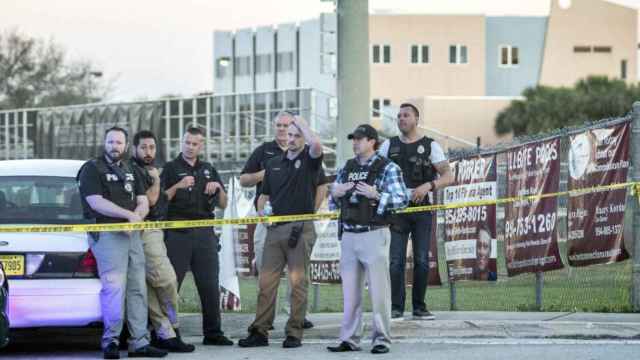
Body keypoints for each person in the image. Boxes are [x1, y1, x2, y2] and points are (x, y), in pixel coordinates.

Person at [77, 126, 167, 359]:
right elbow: (95, 202)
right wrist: (128, 216)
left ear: (126, 146)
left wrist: (137, 216)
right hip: (108, 234)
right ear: (104, 143)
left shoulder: (130, 169)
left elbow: (143, 200)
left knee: (138, 288)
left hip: (133, 235)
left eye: (118, 143)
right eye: (110, 142)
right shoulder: (91, 168)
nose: (114, 146)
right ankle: (111, 341)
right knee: (115, 289)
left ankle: (139, 342)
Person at [238, 116, 323, 349]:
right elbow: (264, 195)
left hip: (300, 229)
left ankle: (294, 332)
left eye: (297, 135)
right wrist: (262, 213)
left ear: (303, 137)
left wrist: (301, 122)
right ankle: (259, 331)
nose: (292, 139)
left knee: (297, 283)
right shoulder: (274, 163)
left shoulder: (310, 160)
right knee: (266, 283)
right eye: (290, 135)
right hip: (274, 230)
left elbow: (317, 146)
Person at [326, 124, 409, 355]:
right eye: (353, 139)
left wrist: (377, 195)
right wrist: (335, 193)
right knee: (350, 293)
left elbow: (402, 199)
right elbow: (333, 203)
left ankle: (381, 338)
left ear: (372, 141)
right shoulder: (347, 167)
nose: (355, 143)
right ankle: (349, 339)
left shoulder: (387, 167)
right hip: (350, 235)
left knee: (379, 292)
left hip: (375, 233)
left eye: (360, 139)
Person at [378, 103, 453, 320]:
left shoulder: (430, 146)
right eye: (399, 116)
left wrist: (428, 185)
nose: (401, 119)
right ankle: (396, 308)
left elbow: (449, 176)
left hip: (421, 211)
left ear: (416, 119)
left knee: (421, 260)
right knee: (395, 261)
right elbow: (376, 173)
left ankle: (419, 307)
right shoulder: (388, 146)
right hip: (397, 212)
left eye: (406, 115)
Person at [161, 127, 233, 346]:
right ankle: (168, 333)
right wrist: (178, 185)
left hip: (204, 233)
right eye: (187, 142)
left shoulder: (208, 169)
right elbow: (160, 199)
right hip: (177, 234)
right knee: (171, 286)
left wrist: (219, 188)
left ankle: (213, 333)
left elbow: (223, 203)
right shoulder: (171, 168)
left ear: (201, 145)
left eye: (195, 143)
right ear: (181, 142)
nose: (190, 147)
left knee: (210, 284)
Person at [130, 130, 195, 352]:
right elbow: (150, 199)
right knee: (166, 280)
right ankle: (173, 329)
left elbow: (163, 199)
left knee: (152, 287)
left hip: (156, 230)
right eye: (143, 148)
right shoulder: (135, 170)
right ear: (134, 149)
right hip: (144, 230)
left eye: (152, 147)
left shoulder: (151, 169)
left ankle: (163, 334)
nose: (148, 152)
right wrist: (156, 179)